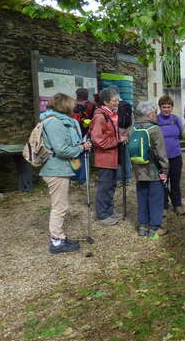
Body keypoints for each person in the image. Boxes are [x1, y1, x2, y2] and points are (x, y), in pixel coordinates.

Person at [40, 93, 92, 254]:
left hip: (59, 168)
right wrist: (81, 148)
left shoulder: (57, 121)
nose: (73, 107)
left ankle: (59, 237)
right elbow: (61, 149)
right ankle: (57, 242)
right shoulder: (54, 123)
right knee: (59, 207)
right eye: (70, 104)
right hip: (56, 169)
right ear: (64, 106)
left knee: (60, 205)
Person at [129, 101, 169, 236]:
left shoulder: (132, 129)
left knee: (142, 197)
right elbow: (161, 152)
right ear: (150, 114)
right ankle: (155, 227)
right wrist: (165, 170)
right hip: (153, 170)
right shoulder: (154, 129)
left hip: (138, 170)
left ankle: (142, 226)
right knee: (156, 199)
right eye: (155, 112)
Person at [90, 87, 127, 225]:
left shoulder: (110, 115)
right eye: (114, 100)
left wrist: (121, 136)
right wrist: (118, 140)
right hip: (105, 158)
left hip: (112, 157)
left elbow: (110, 135)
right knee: (105, 186)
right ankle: (102, 214)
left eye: (118, 100)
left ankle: (109, 211)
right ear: (105, 102)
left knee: (111, 185)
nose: (117, 103)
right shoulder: (100, 117)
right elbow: (98, 140)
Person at [157, 95, 185, 215]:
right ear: (160, 107)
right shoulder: (156, 120)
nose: (166, 109)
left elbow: (181, 135)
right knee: (162, 182)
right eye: (164, 107)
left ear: (172, 107)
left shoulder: (176, 119)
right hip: (161, 158)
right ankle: (163, 205)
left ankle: (177, 205)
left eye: (169, 107)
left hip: (176, 156)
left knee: (175, 182)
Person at [71, 88, 95, 186]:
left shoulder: (71, 104)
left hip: (73, 133)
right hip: (84, 133)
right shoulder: (91, 105)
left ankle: (73, 178)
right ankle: (82, 180)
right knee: (84, 156)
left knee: (74, 155)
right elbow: (92, 119)